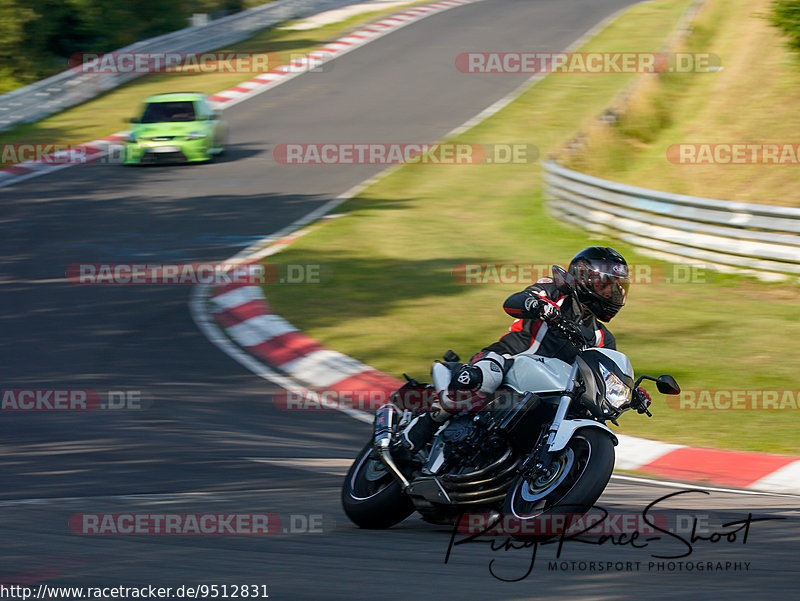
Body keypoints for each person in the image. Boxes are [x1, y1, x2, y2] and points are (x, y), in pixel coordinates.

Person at [401, 246, 650, 452]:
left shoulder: (602, 337)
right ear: (584, 279)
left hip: (551, 387)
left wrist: (631, 392)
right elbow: (514, 301)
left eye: (618, 287)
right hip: (510, 360)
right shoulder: (555, 292)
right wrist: (539, 305)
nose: (613, 292)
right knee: (484, 378)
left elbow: (605, 370)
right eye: (606, 285)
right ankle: (426, 423)